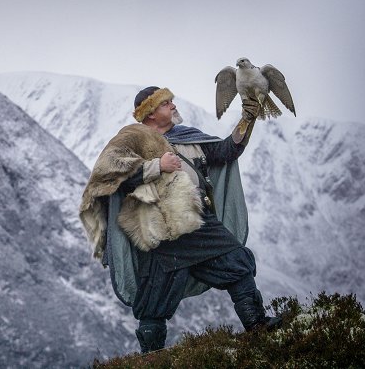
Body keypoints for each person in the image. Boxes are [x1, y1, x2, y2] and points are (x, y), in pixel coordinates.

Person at [79, 86, 282, 353]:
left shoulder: (188, 139)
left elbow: (225, 152)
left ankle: (255, 327)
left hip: (196, 222)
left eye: (172, 102)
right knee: (161, 294)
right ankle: (153, 357)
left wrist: (247, 119)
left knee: (230, 265)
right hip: (161, 228)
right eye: (166, 104)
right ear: (150, 114)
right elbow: (110, 176)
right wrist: (156, 166)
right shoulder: (131, 140)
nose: (173, 106)